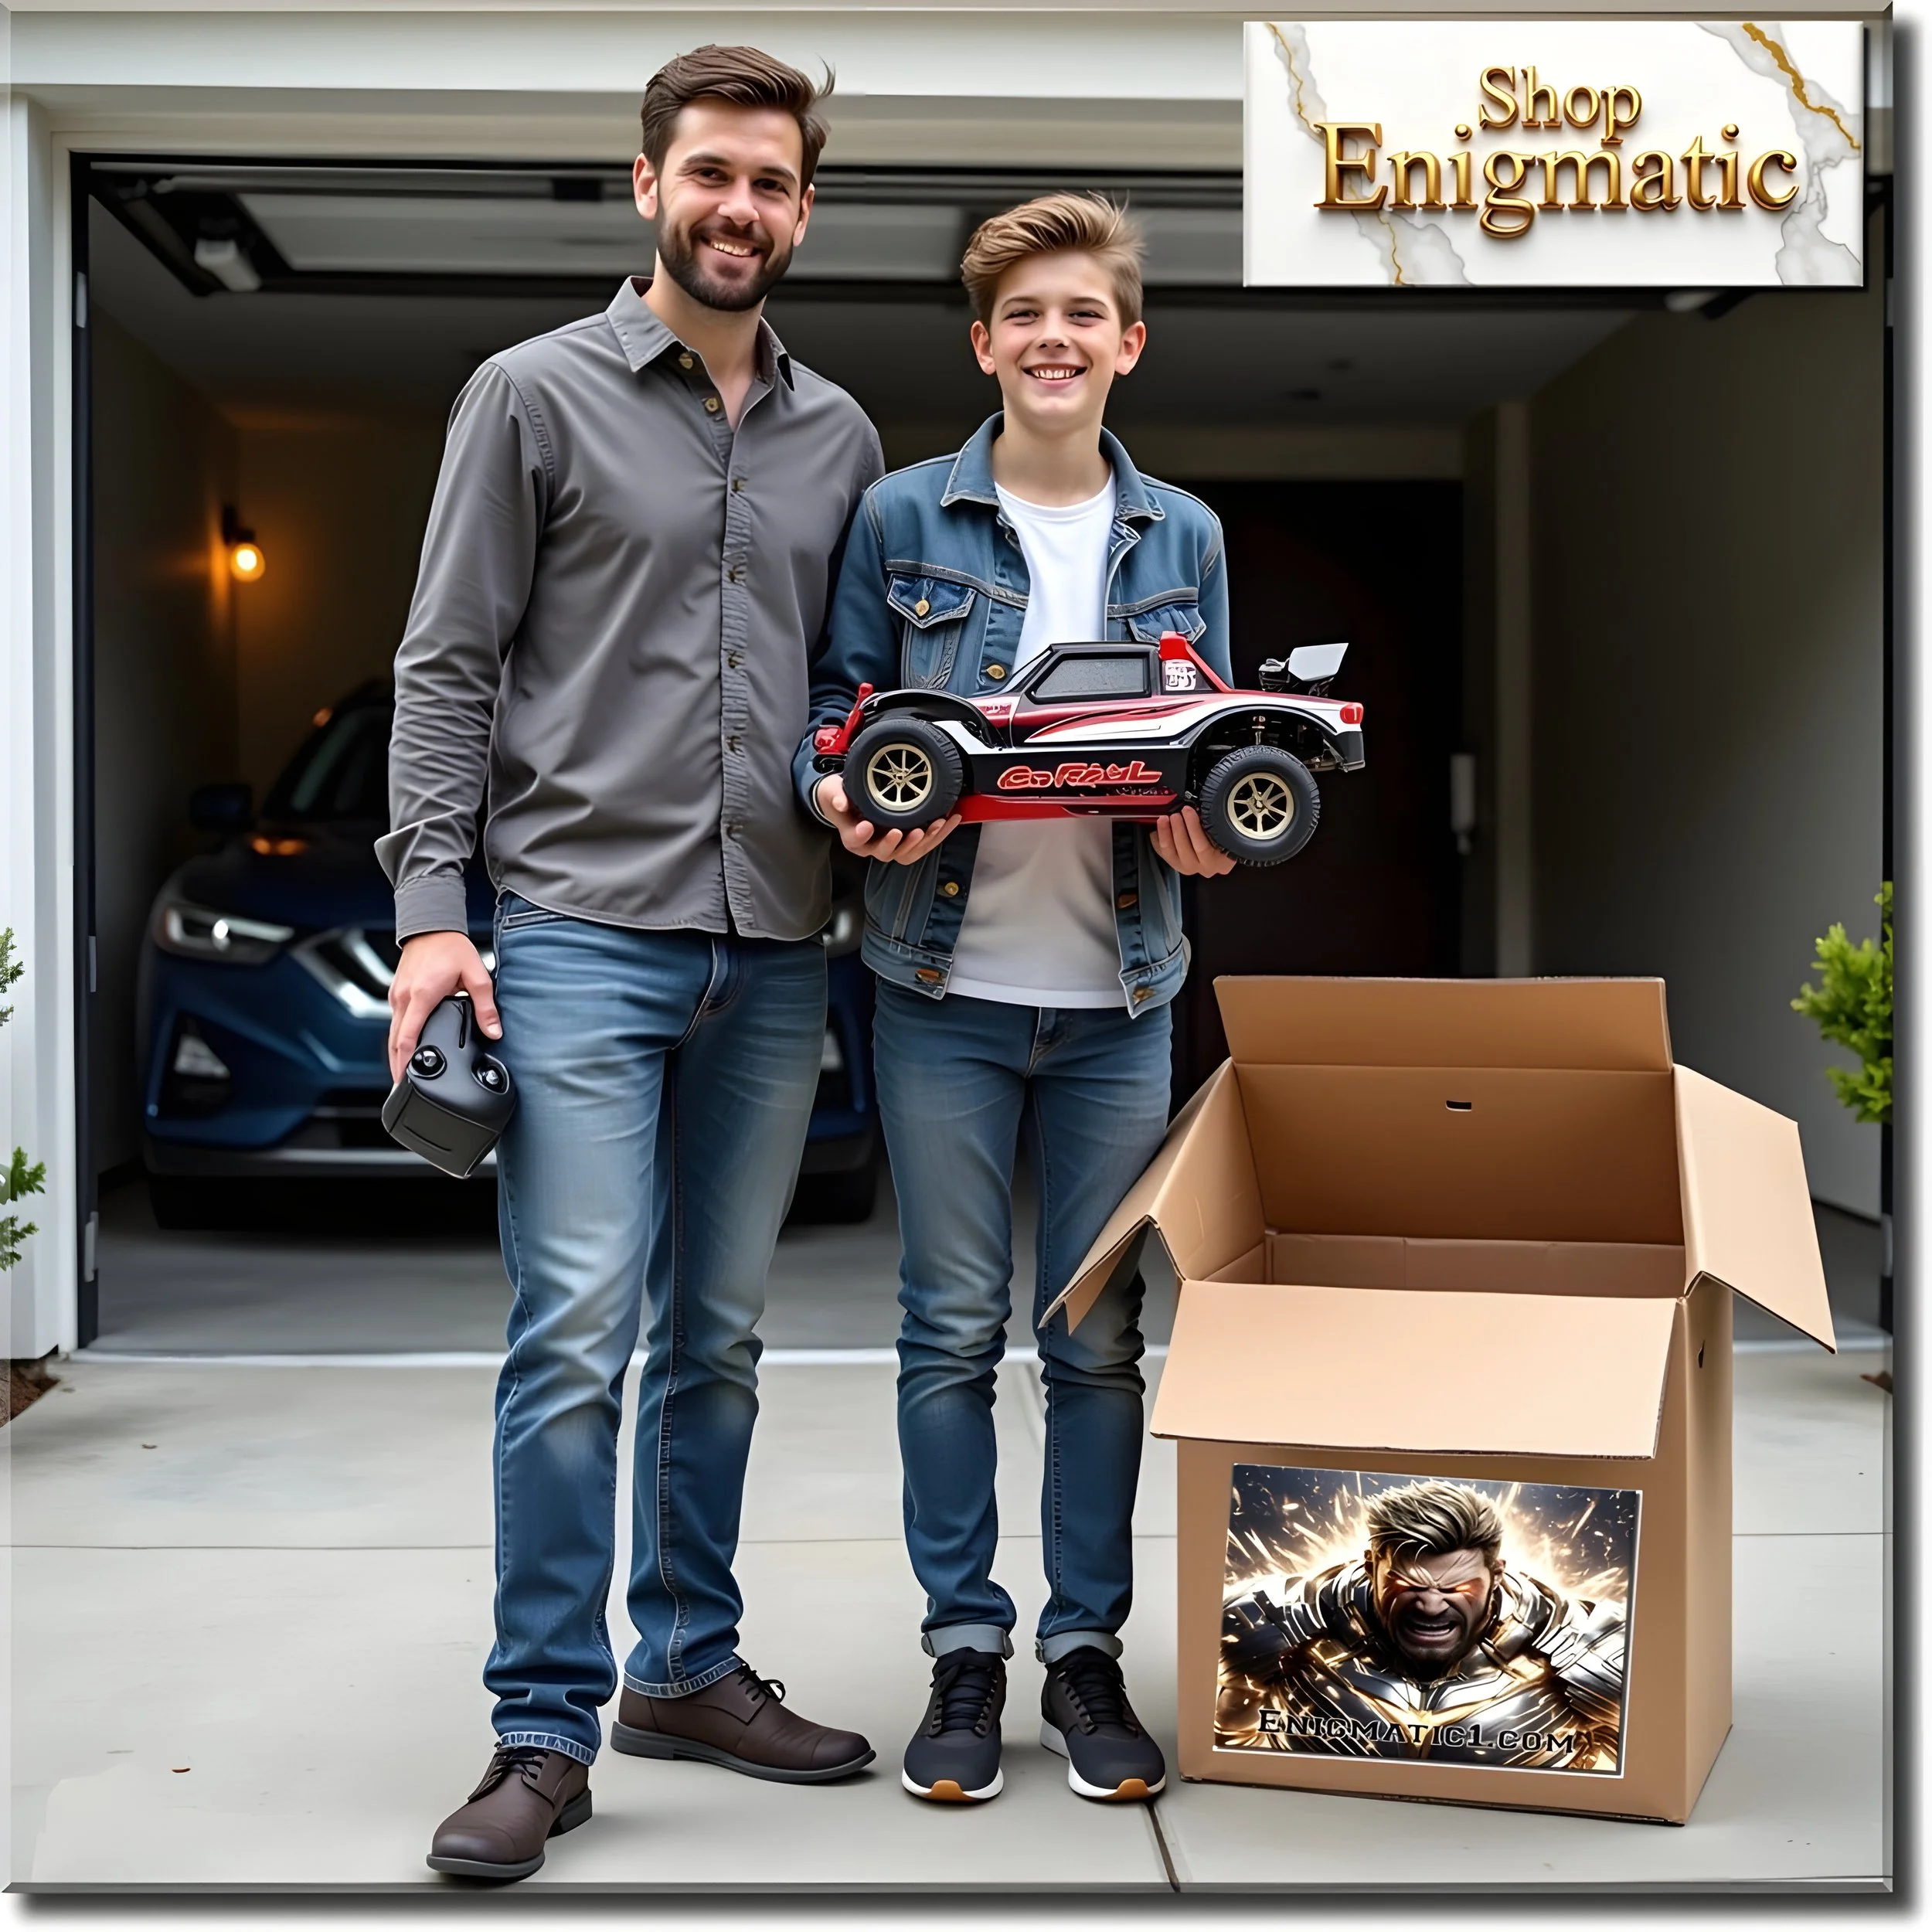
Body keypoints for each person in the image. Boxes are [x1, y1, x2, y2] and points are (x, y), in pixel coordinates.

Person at [380, 45, 886, 1882]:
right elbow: (448, 663)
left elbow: (850, 697)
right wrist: (440, 910)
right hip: (581, 931)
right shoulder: (531, 397)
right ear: (648, 186)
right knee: (575, 1330)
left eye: (769, 181)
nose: (737, 207)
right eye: (708, 174)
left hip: (773, 947)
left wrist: (874, 795)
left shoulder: (843, 440)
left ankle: (685, 1666)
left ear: (803, 208)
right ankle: (539, 1727)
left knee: (721, 1340)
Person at [796, 194, 1236, 1805]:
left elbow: (1198, 741)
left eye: (1082, 313)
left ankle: (1083, 1655)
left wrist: (1208, 833)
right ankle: (964, 1651)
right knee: (943, 1334)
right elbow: (840, 709)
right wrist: (845, 792)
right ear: (982, 344)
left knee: (1100, 1339)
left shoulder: (1179, 536)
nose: (1052, 338)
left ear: (1127, 341)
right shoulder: (903, 515)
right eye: (1021, 315)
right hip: (939, 989)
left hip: (1120, 992)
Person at [1220, 1479, 1628, 1770]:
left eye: (1458, 1587)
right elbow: (1226, 1745)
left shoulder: (1591, 1648)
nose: (1432, 1606)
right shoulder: (1267, 1621)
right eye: (1409, 1583)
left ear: (1497, 1575)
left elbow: (1630, 1775)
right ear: (1371, 1567)